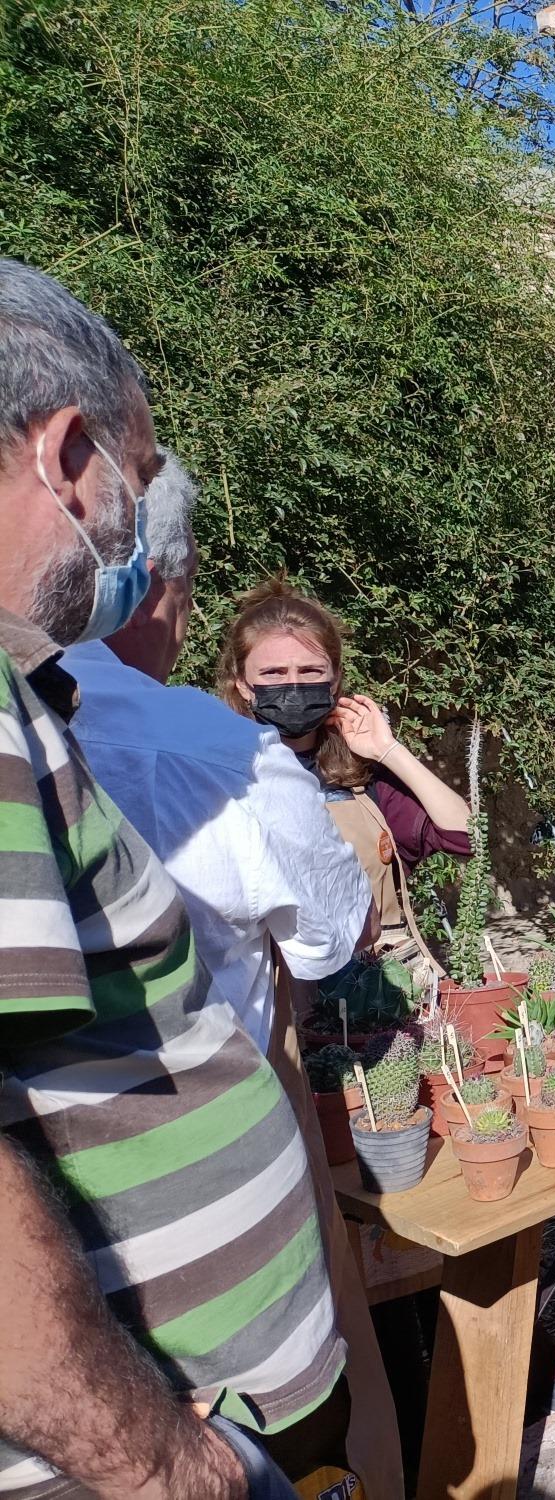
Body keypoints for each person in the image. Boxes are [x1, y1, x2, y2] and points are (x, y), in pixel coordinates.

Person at [0, 257, 340, 1500]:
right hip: (149, 1445)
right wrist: (156, 1462)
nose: (139, 522)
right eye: (134, 480)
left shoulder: (29, 692)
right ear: (67, 453)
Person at [62, 457, 402, 1499]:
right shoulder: (223, 753)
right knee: (286, 1455)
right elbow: (324, 943)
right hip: (212, 1193)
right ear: (167, 584)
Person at [216, 577, 471, 958]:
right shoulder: (217, 777)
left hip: (383, 992)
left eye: (310, 671)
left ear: (334, 680)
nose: (293, 684)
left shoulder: (362, 777)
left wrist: (388, 751)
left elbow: (467, 839)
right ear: (243, 684)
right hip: (276, 998)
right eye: (273, 674)